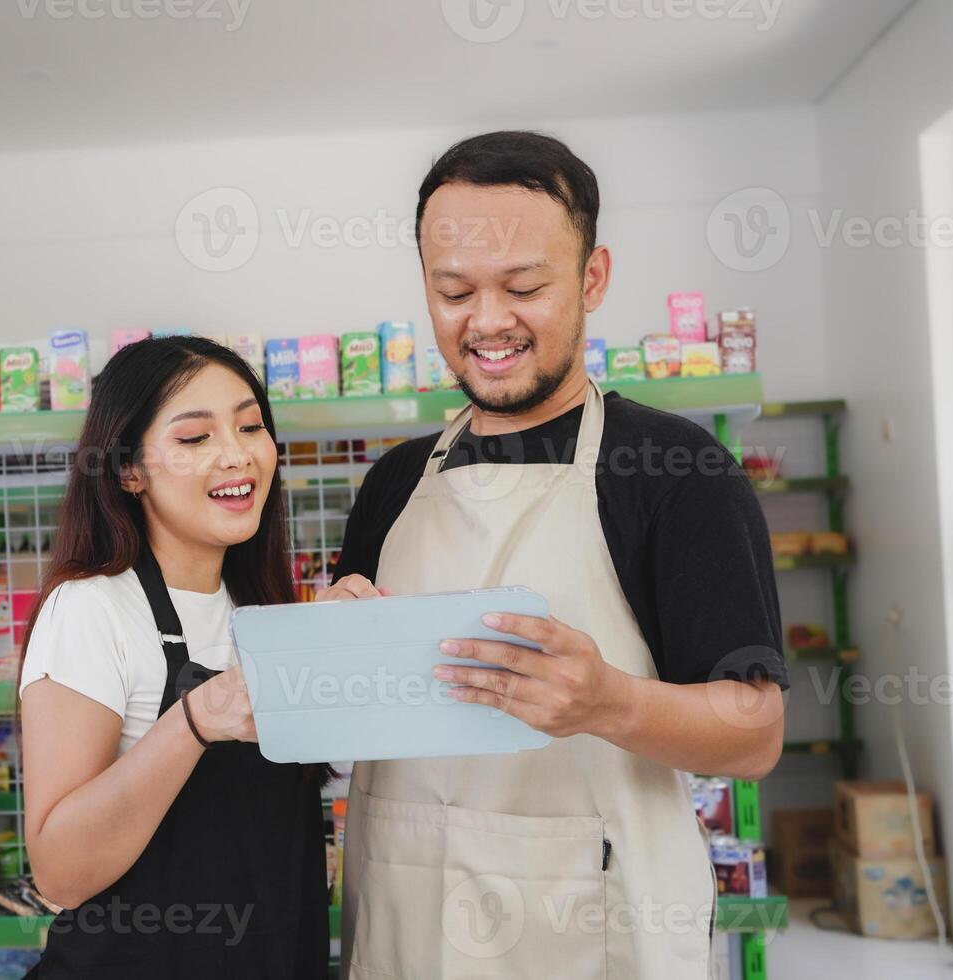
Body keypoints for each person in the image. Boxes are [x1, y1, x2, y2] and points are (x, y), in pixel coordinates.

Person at [322, 131, 788, 979]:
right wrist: (324, 665)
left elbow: (755, 735)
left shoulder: (674, 470)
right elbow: (344, 735)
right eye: (453, 290)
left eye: (524, 287)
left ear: (593, 278)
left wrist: (607, 702)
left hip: (592, 929)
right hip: (405, 918)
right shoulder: (393, 484)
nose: (488, 321)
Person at [17, 337, 328, 979]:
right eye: (194, 438)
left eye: (250, 426)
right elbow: (60, 871)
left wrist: (358, 649)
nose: (237, 453)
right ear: (129, 470)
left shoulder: (264, 609)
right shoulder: (93, 609)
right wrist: (193, 723)